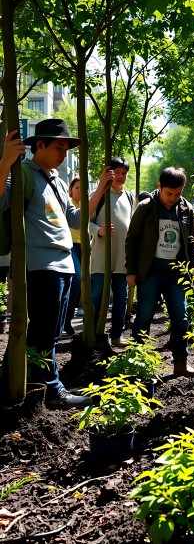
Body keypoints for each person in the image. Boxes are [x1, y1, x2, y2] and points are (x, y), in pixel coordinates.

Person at [0, 119, 112, 409]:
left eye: (66, 148)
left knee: (49, 331)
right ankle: (50, 390)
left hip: (64, 265)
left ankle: (14, 383)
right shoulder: (22, 173)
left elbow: (75, 219)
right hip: (40, 266)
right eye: (59, 147)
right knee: (43, 332)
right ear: (40, 145)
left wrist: (100, 188)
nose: (64, 153)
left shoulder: (59, 182)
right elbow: (1, 202)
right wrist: (6, 161)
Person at [125, 166, 194, 376]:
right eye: (169, 193)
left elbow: (193, 243)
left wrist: (193, 267)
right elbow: (131, 240)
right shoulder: (145, 207)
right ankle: (137, 364)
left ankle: (181, 363)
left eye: (178, 194)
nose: (173, 198)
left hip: (177, 275)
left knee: (181, 318)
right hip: (149, 274)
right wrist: (131, 270)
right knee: (144, 316)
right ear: (159, 187)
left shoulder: (187, 210)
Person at [90, 156, 134, 347]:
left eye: (124, 173)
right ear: (109, 173)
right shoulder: (98, 194)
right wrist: (98, 231)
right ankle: (94, 332)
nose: (120, 176)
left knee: (120, 297)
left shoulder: (130, 197)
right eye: (117, 172)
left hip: (122, 259)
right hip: (101, 257)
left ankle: (117, 335)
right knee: (97, 295)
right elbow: (84, 221)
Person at [61, 176, 82, 337]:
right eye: (77, 187)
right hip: (71, 246)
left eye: (84, 188)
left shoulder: (88, 206)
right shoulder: (67, 204)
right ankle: (64, 320)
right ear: (71, 190)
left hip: (86, 248)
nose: (80, 191)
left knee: (80, 286)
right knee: (75, 280)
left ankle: (67, 320)